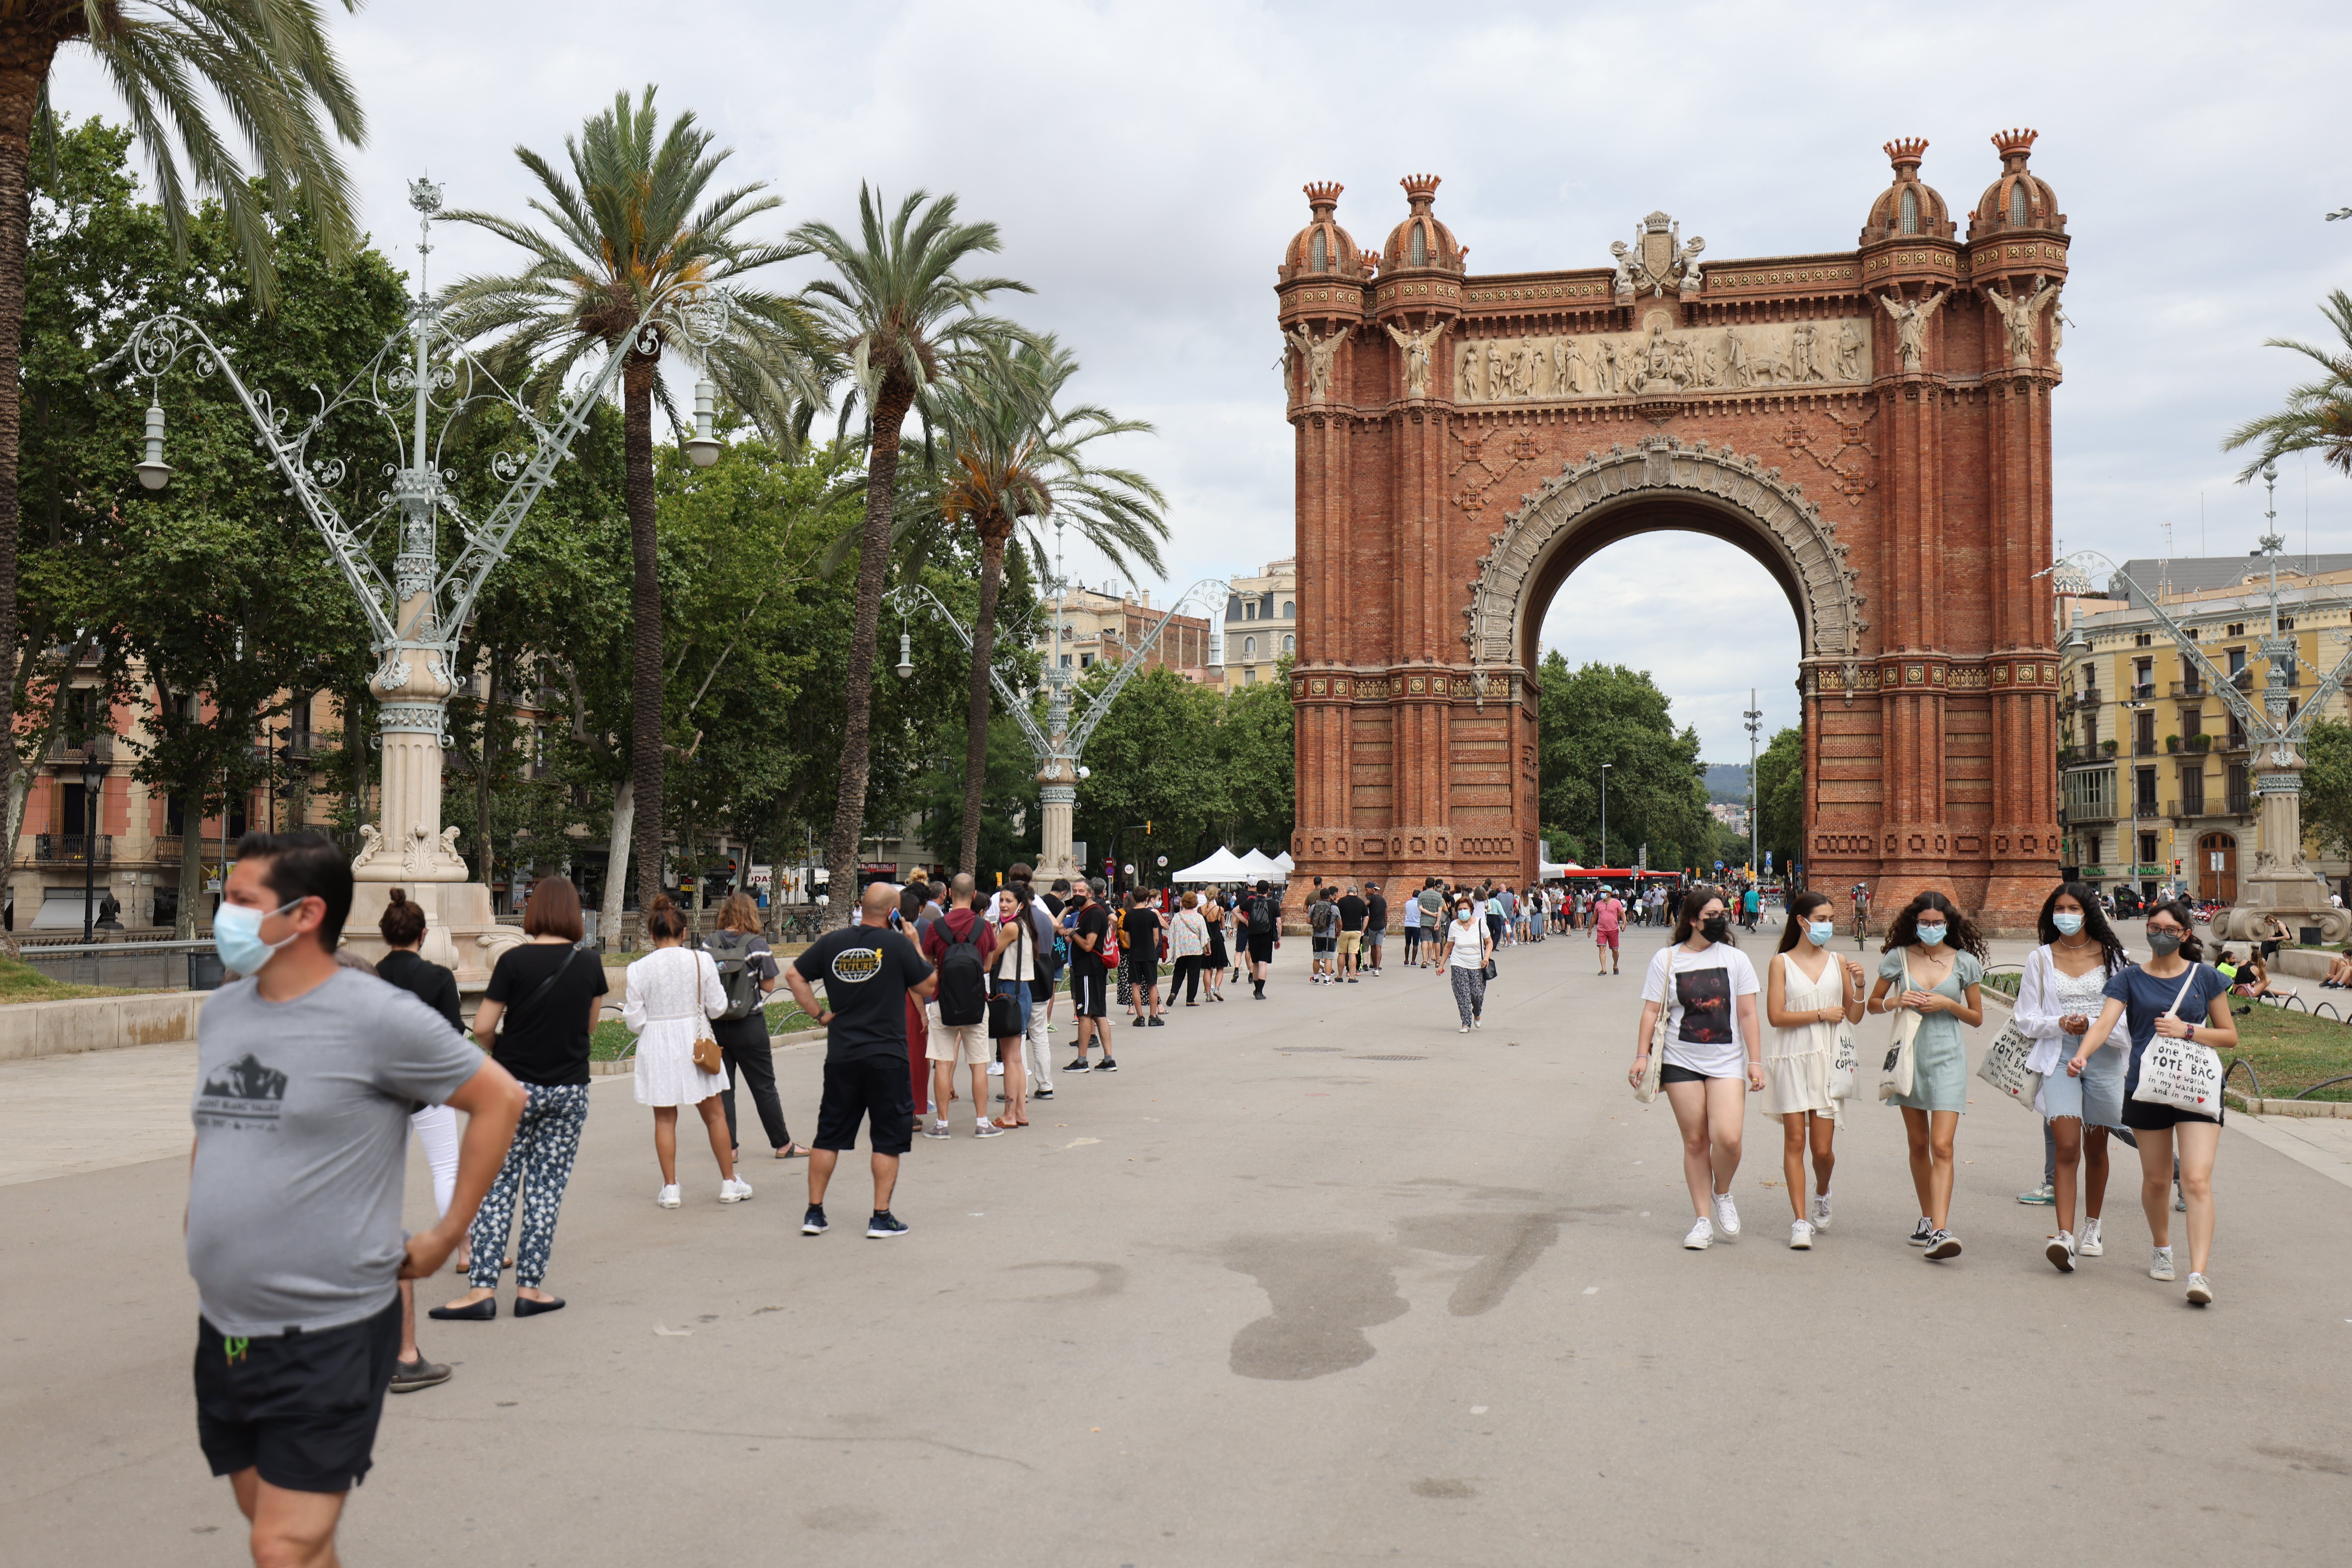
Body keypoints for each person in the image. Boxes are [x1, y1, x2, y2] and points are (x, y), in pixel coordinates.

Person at [188, 833, 524, 1568]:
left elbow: (499, 1097)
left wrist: (447, 1233)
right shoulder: (225, 1012)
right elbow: (215, 1123)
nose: (225, 914)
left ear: (306, 914)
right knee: (288, 1532)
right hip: (231, 1328)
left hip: (331, 1327)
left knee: (279, 1544)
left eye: (242, 901)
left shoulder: (376, 1016)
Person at [434, 874, 608, 1321]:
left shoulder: (513, 962)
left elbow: (485, 1025)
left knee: (496, 1187)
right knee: (546, 1191)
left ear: (534, 910)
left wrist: (500, 1052)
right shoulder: (589, 963)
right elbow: (589, 1028)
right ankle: (531, 1287)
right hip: (569, 1089)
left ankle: (482, 1291)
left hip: (512, 1091)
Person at [2067, 898, 2235, 1305]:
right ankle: (2162, 1246)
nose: (2160, 935)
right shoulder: (2129, 978)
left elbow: (2229, 1035)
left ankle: (2198, 1274)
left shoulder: (2205, 976)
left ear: (2186, 934)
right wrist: (2083, 1053)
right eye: (2153, 927)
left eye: (2169, 930)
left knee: (2195, 1178)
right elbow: (2105, 1021)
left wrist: (2188, 1030)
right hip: (2146, 1086)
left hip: (2195, 1085)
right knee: (2158, 1179)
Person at [784, 882, 938, 1238]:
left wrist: (820, 1014)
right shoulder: (899, 944)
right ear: (893, 912)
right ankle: (880, 1217)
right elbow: (929, 986)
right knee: (887, 1139)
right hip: (887, 1056)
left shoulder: (832, 942)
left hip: (843, 1055)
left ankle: (814, 1213)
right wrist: (914, 942)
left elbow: (794, 975)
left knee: (829, 1135)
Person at [1632, 887, 1764, 1251]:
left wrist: (1755, 1061)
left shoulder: (1736, 959)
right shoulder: (1667, 959)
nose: (1720, 920)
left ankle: (1723, 1192)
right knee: (1695, 1141)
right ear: (1692, 919)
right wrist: (1642, 1055)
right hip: (1681, 1059)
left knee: (1728, 1138)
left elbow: (1749, 1013)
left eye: (1723, 913)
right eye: (1711, 915)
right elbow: (1650, 1010)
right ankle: (1703, 1220)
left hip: (1726, 1061)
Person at [2011, 882, 2130, 1272]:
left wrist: (2094, 1026)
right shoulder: (2041, 959)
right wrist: (2060, 1022)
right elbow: (2025, 1018)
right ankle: (2064, 1235)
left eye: (2073, 908)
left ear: (2088, 912)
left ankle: (2092, 1226)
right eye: (2059, 908)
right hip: (2058, 1055)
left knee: (2097, 1147)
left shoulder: (2115, 957)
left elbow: (2127, 1014)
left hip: (2105, 1056)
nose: (2065, 914)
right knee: (2066, 1145)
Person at [372, 890, 462, 1393]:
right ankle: (463, 1247)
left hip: (383, 1093)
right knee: (446, 1166)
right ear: (424, 935)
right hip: (429, 1089)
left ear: (385, 934)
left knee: (383, 1182)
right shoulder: (438, 977)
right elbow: (452, 1036)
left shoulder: (369, 978)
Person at [1866, 890, 1986, 1262]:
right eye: (1924, 922)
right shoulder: (1897, 958)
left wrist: (1949, 1003)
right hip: (1910, 1058)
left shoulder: (1964, 962)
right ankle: (1927, 1217)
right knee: (1918, 1144)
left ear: (1948, 924)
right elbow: (1872, 1005)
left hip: (1949, 1058)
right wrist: (1896, 1001)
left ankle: (1940, 1229)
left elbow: (1977, 1016)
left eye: (1937, 923)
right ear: (1914, 923)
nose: (1931, 928)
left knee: (1943, 1146)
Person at [622, 894, 745, 1210]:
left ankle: (671, 1187)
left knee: (664, 1119)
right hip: (695, 1041)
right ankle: (729, 1182)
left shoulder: (638, 969)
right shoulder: (700, 960)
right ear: (684, 933)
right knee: (715, 1114)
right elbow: (717, 1008)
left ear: (652, 934)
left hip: (658, 1044)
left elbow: (635, 1021)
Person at [1761, 891, 1866, 1249]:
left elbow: (1853, 1015)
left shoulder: (1838, 961)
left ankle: (1823, 1190)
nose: (1827, 925)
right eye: (1820, 918)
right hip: (1793, 1056)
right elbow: (1776, 1016)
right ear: (1801, 922)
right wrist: (1820, 1014)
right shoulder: (1782, 963)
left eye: (1830, 919)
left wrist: (1861, 985)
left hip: (1828, 1059)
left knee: (1822, 1150)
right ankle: (1800, 1221)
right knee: (1795, 1140)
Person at [707, 892, 807, 1161]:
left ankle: (729, 1149)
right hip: (749, 1024)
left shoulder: (709, 943)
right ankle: (783, 1145)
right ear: (752, 913)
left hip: (716, 1026)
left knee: (724, 1088)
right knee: (764, 1086)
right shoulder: (757, 944)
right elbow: (768, 986)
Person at [921, 873, 1001, 1139]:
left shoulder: (937, 927)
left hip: (942, 1001)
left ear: (951, 894)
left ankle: (942, 1125)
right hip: (976, 1003)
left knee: (943, 1063)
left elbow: (928, 961)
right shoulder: (984, 927)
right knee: (979, 1064)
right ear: (975, 893)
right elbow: (988, 965)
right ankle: (981, 1122)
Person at [988, 884, 1037, 1127]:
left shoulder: (1010, 927)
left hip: (1010, 991)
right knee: (1016, 1058)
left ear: (1021, 904)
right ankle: (1019, 1113)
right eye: (1002, 900)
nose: (1004, 905)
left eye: (1009, 901)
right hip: (1023, 991)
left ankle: (1009, 1115)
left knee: (1009, 1059)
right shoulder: (1025, 925)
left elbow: (991, 957)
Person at [1434, 889, 1493, 1031]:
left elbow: (1489, 942)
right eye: (1460, 909)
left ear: (1471, 910)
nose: (1463, 911)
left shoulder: (1480, 924)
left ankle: (1477, 1013)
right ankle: (1466, 1022)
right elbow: (1449, 946)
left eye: (1465, 909)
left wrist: (1487, 957)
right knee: (1463, 994)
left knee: (1477, 995)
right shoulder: (1454, 926)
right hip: (1459, 963)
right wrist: (1441, 964)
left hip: (1477, 964)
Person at [1122, 887, 1166, 1025]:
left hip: (1135, 954)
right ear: (1147, 899)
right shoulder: (1152, 916)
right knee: (1152, 985)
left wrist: (1134, 947)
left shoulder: (1129, 916)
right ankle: (1153, 1016)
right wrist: (1150, 949)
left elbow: (1127, 939)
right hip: (1149, 954)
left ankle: (1140, 1017)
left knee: (1136, 985)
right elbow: (1156, 938)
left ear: (1133, 898)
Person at [1170, 891, 1210, 1005]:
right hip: (1195, 950)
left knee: (1179, 972)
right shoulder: (1199, 918)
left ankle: (1173, 993)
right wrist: (1208, 948)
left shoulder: (1178, 917)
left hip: (1181, 949)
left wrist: (1173, 948)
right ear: (1195, 903)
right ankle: (1190, 1000)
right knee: (1194, 974)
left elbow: (1172, 934)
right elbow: (1205, 935)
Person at [1244, 878, 1281, 997]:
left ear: (1256, 889)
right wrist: (1278, 938)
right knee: (1263, 964)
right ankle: (1260, 991)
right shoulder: (1273, 904)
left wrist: (1246, 921)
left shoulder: (1251, 902)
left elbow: (1235, 911)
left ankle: (1256, 989)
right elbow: (1279, 923)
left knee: (1255, 963)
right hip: (1267, 936)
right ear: (1268, 890)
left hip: (1253, 935)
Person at [1201, 888, 1229, 1001]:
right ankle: (1217, 989)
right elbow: (1223, 926)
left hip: (1206, 940)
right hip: (1217, 938)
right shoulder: (1220, 909)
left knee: (1208, 968)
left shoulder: (1200, 909)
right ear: (1216, 896)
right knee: (1220, 967)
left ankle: (1208, 994)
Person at [1336, 882, 1368, 981]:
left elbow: (1337, 917)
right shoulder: (1361, 902)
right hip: (1356, 931)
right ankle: (1352, 976)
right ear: (1356, 893)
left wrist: (1338, 929)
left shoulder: (1341, 901)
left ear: (1347, 892)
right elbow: (1366, 918)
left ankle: (1340, 976)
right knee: (1353, 954)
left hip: (1344, 931)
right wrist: (1363, 930)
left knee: (1342, 953)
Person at [1307, 885, 1338, 983]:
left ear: (1320, 897)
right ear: (1330, 897)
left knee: (1317, 958)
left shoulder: (1314, 907)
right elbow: (1340, 923)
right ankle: (1327, 980)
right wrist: (1338, 932)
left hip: (1317, 936)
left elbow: (1308, 921)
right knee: (1328, 958)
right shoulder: (1334, 908)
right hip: (1330, 936)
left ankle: (1316, 978)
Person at [1593, 885, 1625, 976]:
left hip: (1613, 929)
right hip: (1601, 930)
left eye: (1604, 892)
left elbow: (1622, 914)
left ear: (1610, 894)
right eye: (1602, 892)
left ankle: (1615, 965)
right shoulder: (1598, 904)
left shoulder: (1617, 903)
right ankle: (1603, 969)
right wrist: (1591, 928)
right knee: (1602, 948)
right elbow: (1595, 916)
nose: (1602, 894)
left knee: (1615, 950)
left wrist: (1624, 924)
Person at [1416, 879, 1445, 967]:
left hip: (1425, 921)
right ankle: (1437, 961)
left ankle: (1425, 961)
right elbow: (1440, 910)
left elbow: (1421, 909)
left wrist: (1430, 914)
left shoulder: (1421, 895)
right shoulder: (1439, 896)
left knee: (1425, 940)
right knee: (1437, 941)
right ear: (1434, 885)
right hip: (1435, 922)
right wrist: (1437, 922)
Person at [1365, 882, 1389, 974]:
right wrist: (1385, 929)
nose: (1366, 892)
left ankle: (1375, 967)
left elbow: (1365, 904)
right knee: (1379, 948)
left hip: (1372, 927)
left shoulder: (1371, 898)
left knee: (1373, 948)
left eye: (1367, 890)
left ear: (1373, 889)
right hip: (1381, 927)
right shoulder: (1383, 900)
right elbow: (1386, 917)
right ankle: (1377, 969)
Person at [1401, 880, 1424, 967]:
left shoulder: (1408, 903)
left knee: (1407, 944)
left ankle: (1406, 960)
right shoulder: (1420, 904)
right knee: (1415, 944)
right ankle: (1413, 961)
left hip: (1408, 925)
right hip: (1417, 925)